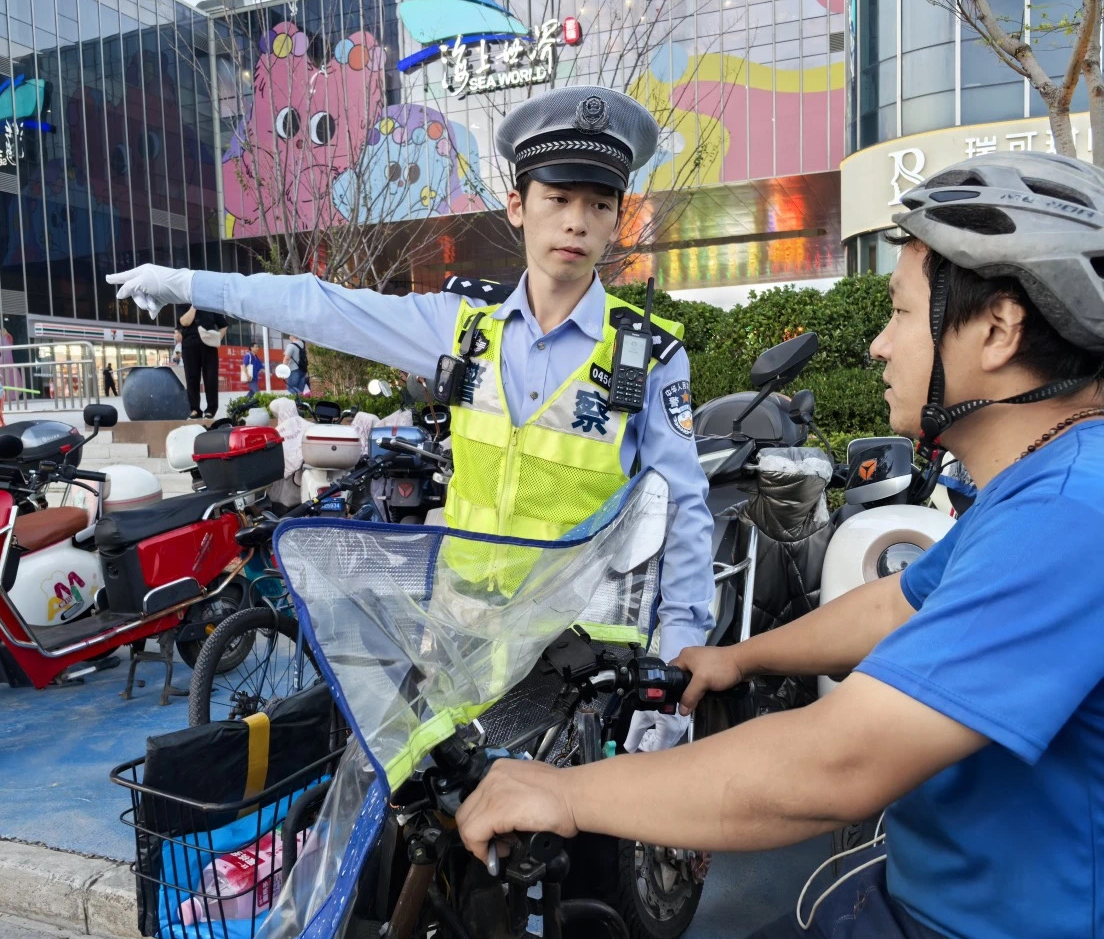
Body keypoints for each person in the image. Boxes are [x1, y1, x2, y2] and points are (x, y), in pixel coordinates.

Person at [448, 152, 1104, 939]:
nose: (880, 346)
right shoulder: (1054, 484)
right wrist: (739, 659)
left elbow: (839, 764)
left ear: (997, 331)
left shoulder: (1077, 520)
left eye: (899, 312)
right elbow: (895, 604)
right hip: (935, 897)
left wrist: (567, 796)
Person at [106, 86, 714, 751]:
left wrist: (678, 667)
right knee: (435, 822)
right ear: (518, 206)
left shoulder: (647, 354)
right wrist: (193, 285)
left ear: (617, 219)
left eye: (598, 205)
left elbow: (680, 510)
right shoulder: (462, 327)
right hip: (466, 640)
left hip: (585, 662)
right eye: (558, 199)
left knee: (565, 846)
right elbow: (326, 306)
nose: (576, 222)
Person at [176, 305, 228, 418]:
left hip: (209, 347)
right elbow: (185, 322)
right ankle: (195, 409)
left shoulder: (210, 306)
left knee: (210, 378)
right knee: (192, 378)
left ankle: (211, 408)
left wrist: (217, 339)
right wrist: (194, 306)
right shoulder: (183, 305)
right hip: (189, 346)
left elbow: (224, 325)